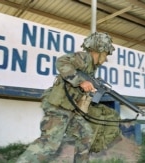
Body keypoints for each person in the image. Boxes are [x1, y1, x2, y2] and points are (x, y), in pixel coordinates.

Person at [16, 32, 119, 163]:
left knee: (85, 135)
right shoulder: (83, 57)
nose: (106, 59)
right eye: (105, 54)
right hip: (58, 108)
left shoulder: (91, 68)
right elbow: (61, 61)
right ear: (97, 50)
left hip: (71, 110)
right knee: (48, 144)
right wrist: (81, 81)